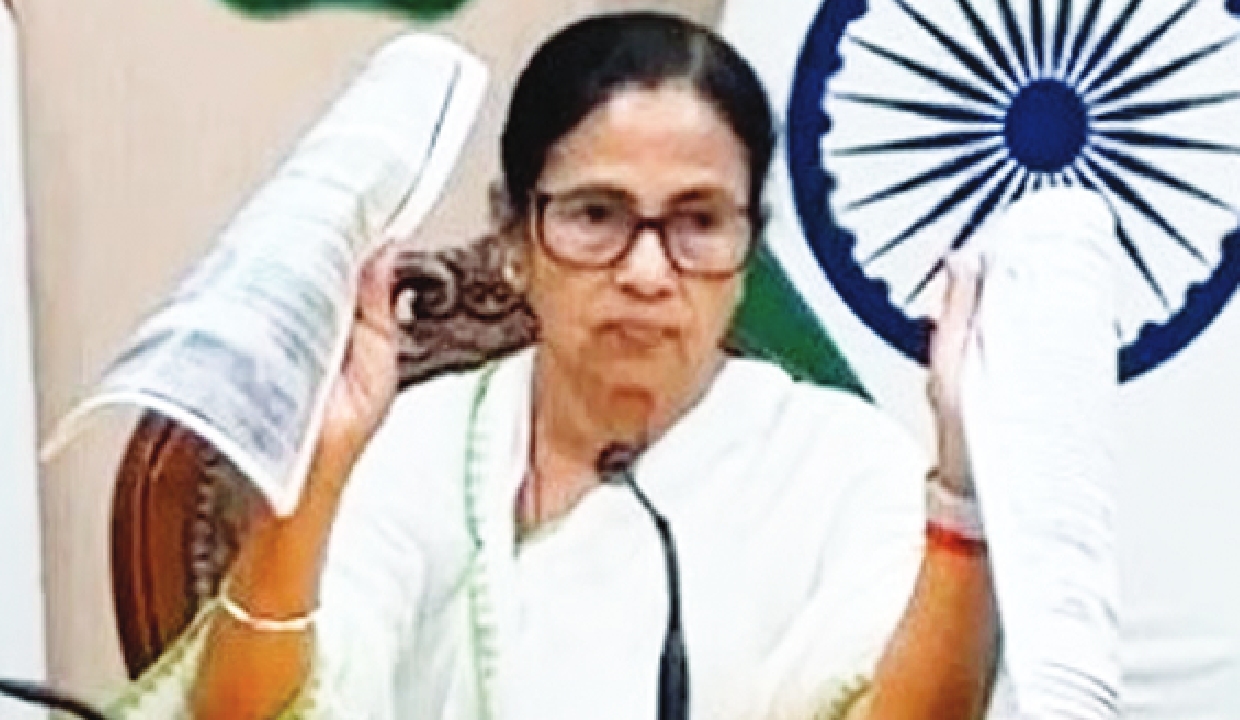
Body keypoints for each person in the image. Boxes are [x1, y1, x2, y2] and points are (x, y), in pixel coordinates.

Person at [111, 11, 997, 720]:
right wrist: (315, 479)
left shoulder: (841, 466)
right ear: (514, 239)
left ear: (748, 253)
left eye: (698, 222)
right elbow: (243, 715)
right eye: (596, 215)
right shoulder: (418, 447)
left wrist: (961, 497)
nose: (646, 271)